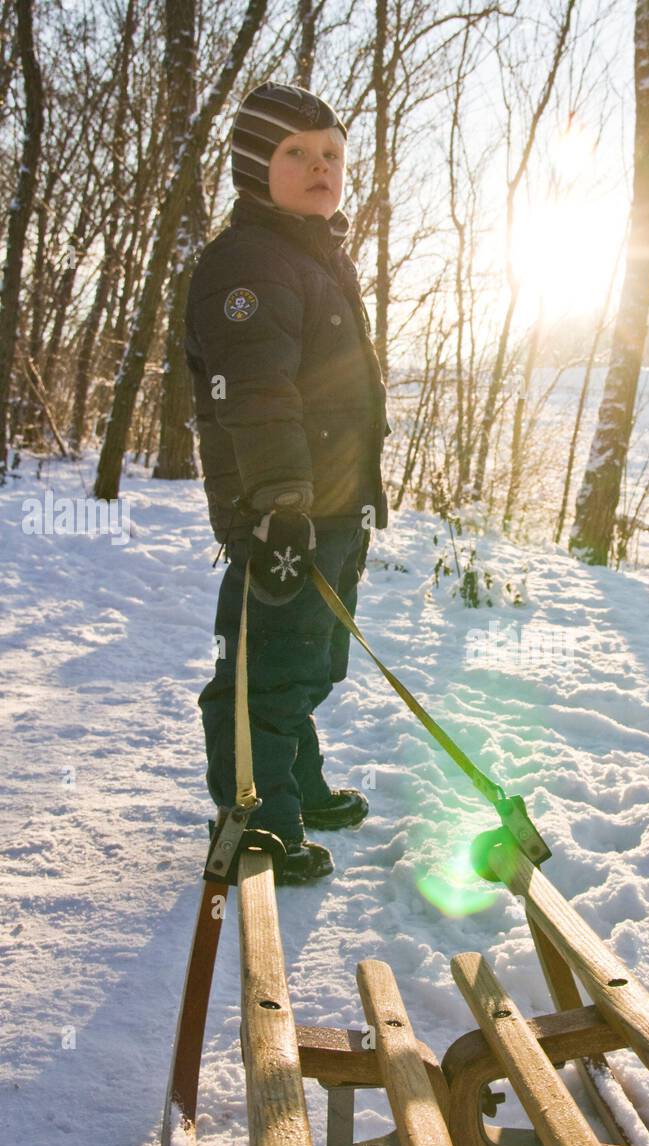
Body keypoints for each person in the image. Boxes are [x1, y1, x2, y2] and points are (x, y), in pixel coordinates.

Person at [184, 81, 391, 885]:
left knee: (311, 659)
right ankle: (256, 820)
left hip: (332, 509)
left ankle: (294, 784)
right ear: (252, 168)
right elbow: (258, 391)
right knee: (266, 668)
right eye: (296, 153)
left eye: (331, 154)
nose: (320, 167)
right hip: (285, 512)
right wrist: (280, 503)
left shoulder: (314, 258)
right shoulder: (248, 262)